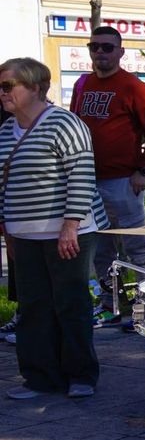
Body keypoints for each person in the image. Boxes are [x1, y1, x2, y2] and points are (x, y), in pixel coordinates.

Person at [0, 57, 108, 400]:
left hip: (68, 231)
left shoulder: (64, 123)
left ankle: (80, 375)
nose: (2, 93)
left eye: (8, 86)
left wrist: (70, 226)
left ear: (35, 87)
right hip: (24, 234)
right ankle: (40, 378)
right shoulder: (5, 130)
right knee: (33, 307)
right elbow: (3, 185)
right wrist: (8, 232)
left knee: (70, 303)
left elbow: (81, 174)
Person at [70, 25, 145, 328]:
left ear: (120, 52)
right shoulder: (82, 84)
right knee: (101, 250)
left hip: (123, 181)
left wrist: (142, 170)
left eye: (107, 47)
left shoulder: (134, 87)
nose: (100, 52)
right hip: (88, 181)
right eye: (94, 46)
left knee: (137, 247)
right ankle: (111, 306)